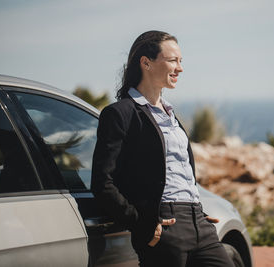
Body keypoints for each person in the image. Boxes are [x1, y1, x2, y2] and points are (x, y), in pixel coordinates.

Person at [91, 30, 234, 267]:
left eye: (181, 61)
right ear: (146, 63)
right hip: (165, 227)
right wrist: (140, 222)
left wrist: (194, 207)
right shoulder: (120, 114)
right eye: (172, 60)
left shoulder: (170, 115)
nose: (180, 68)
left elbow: (178, 169)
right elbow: (102, 181)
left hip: (200, 224)